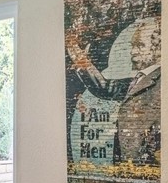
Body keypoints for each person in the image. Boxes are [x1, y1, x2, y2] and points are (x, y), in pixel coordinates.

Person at [67, 16, 161, 164]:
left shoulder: (162, 82)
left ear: (158, 49)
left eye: (140, 45)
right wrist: (81, 61)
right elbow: (104, 88)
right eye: (132, 45)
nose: (133, 52)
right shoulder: (139, 80)